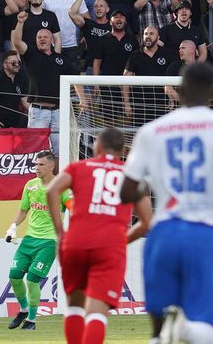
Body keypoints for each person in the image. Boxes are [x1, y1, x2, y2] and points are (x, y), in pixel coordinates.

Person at [120, 62, 213, 344]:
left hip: (163, 233)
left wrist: (149, 182)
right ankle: (187, 330)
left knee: (157, 328)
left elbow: (127, 191)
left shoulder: (152, 130)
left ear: (179, 90)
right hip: (204, 233)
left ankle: (173, 328)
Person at [44, 128, 151, 344]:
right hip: (110, 247)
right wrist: (123, 240)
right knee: (97, 312)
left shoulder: (78, 167)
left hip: (75, 243)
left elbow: (51, 191)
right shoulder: (132, 176)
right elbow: (148, 222)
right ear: (123, 151)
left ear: (97, 147)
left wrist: (60, 232)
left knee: (75, 306)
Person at [3, 150, 71, 330]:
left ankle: (31, 321)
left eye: (40, 164)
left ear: (51, 166)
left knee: (32, 280)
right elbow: (24, 209)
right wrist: (13, 227)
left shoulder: (62, 187)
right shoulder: (30, 185)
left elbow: (74, 208)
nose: (36, 167)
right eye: (35, 164)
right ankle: (24, 309)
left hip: (49, 241)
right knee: (14, 276)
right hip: (29, 239)